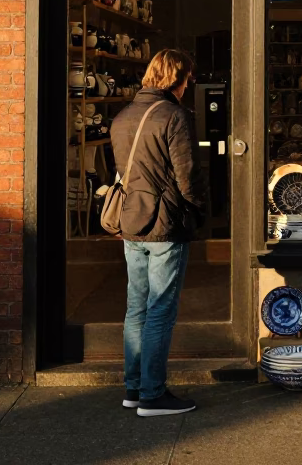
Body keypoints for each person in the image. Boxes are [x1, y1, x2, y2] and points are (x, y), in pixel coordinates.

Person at [108, 48, 207, 417]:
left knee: (137, 307)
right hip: (166, 225)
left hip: (132, 223)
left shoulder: (122, 117)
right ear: (177, 79)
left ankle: (133, 389)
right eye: (189, 78)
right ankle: (153, 394)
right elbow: (188, 178)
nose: (189, 85)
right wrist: (200, 213)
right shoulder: (174, 116)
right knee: (160, 311)